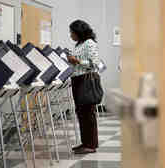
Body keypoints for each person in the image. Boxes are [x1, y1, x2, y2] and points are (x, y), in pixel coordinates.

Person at [67, 19, 101, 154]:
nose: (70, 35)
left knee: (88, 113)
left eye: (72, 32)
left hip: (86, 81)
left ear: (79, 32)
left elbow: (95, 63)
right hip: (77, 80)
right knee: (81, 113)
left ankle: (91, 145)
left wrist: (77, 61)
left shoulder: (89, 43)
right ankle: (85, 142)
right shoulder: (78, 44)